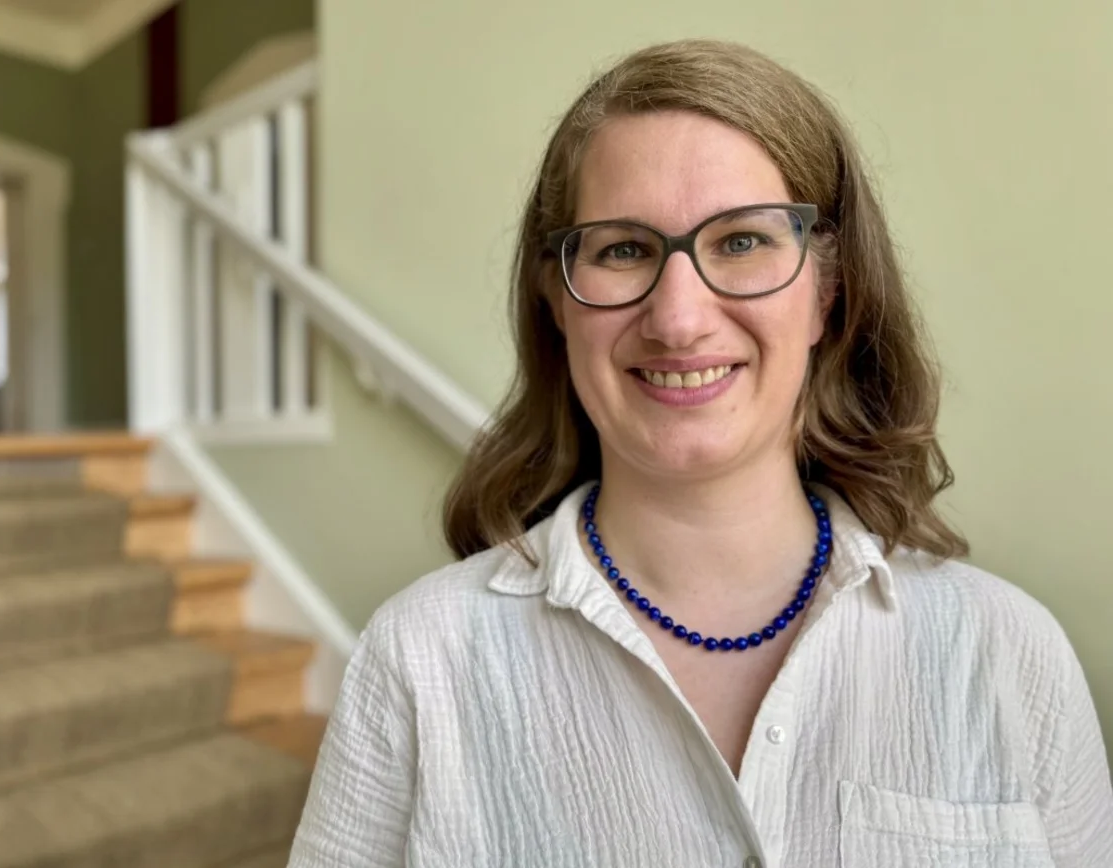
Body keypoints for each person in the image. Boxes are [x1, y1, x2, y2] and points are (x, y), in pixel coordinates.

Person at [287, 39, 1113, 867]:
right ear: (556, 302)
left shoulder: (1008, 653)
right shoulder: (418, 661)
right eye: (622, 250)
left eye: (743, 242)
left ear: (829, 290)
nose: (678, 320)